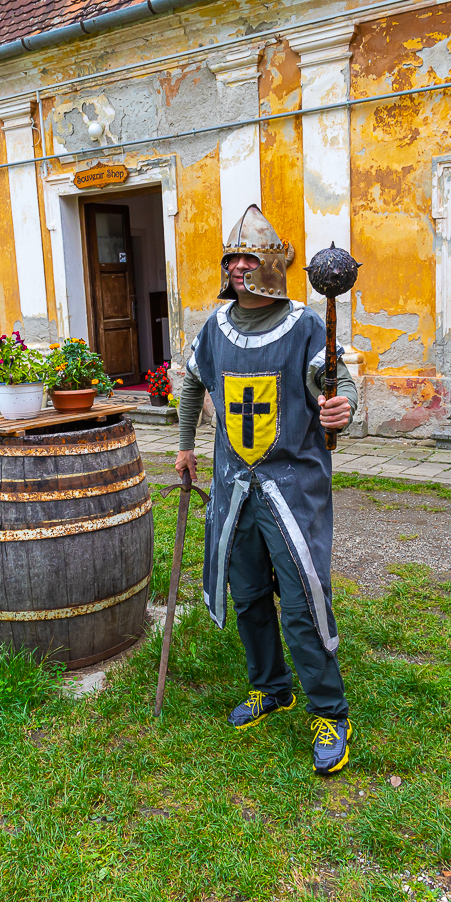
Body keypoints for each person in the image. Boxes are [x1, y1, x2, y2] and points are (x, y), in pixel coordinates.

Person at [175, 205, 358, 774]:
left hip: (292, 488)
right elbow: (192, 383)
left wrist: (341, 409)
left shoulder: (304, 325)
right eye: (231, 259)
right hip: (235, 488)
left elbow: (337, 382)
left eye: (248, 258)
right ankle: (271, 687)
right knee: (249, 594)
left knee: (302, 602)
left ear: (272, 264)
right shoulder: (215, 326)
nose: (237, 267)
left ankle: (329, 711)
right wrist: (184, 445)